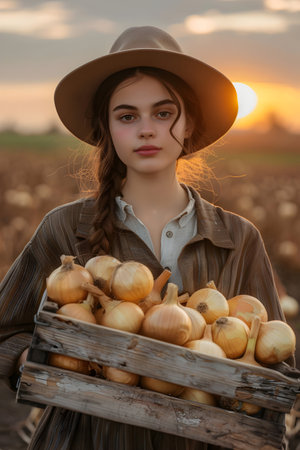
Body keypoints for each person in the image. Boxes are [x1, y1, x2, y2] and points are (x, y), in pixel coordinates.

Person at [0, 25, 295, 450]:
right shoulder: (63, 229)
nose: (146, 129)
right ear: (107, 129)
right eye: (127, 116)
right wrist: (49, 359)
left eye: (163, 113)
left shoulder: (238, 238)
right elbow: (5, 334)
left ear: (189, 124)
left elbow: (276, 365)